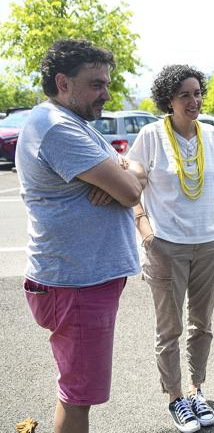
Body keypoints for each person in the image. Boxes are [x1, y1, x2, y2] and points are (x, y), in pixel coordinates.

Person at [15, 39, 147, 433]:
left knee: (76, 390)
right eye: (96, 84)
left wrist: (126, 174)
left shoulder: (71, 122)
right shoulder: (57, 128)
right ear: (63, 82)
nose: (105, 93)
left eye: (106, 83)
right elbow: (132, 190)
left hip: (81, 278)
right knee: (78, 398)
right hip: (76, 283)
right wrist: (124, 180)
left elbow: (134, 170)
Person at [128, 65, 214, 433]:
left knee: (202, 324)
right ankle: (175, 398)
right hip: (166, 246)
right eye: (184, 94)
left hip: (210, 243)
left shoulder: (211, 134)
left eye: (197, 92)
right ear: (168, 100)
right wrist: (145, 228)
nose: (194, 100)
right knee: (169, 328)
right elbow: (133, 184)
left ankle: (196, 389)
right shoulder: (151, 135)